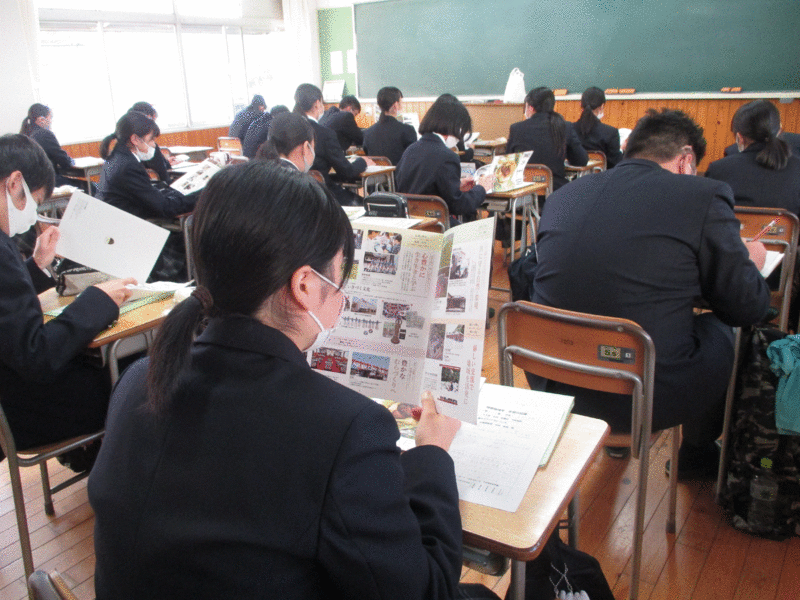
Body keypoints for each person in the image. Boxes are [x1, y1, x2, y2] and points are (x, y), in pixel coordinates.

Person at [88, 161, 500, 600]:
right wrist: (432, 452)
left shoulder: (137, 380)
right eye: (340, 276)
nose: (343, 294)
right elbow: (425, 592)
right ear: (304, 285)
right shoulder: (345, 429)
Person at [527, 109, 770, 478]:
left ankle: (617, 439)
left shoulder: (565, 195)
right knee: (724, 326)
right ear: (687, 159)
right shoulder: (703, 195)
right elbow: (747, 306)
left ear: (630, 148)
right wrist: (750, 260)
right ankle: (697, 451)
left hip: (551, 379)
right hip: (641, 395)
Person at [0, 133, 135, 462]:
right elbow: (37, 355)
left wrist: (36, 266)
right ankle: (113, 468)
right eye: (34, 201)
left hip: (11, 396)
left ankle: (91, 458)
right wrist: (97, 299)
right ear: (14, 183)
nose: (32, 215)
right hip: (22, 408)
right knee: (133, 374)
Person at [97, 111, 197, 281]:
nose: (153, 145)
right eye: (151, 140)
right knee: (193, 233)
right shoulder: (127, 165)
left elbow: (148, 194)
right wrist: (201, 195)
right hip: (130, 236)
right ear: (135, 139)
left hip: (119, 229)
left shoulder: (117, 158)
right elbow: (165, 208)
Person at [396, 94, 493, 224]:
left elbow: (423, 188)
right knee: (480, 230)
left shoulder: (410, 150)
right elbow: (458, 206)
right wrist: (481, 188)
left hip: (409, 223)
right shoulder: (447, 156)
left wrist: (457, 185)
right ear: (454, 126)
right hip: (436, 225)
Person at [706, 100, 800, 218]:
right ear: (780, 130)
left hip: (733, 230)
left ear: (739, 137)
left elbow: (707, 215)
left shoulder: (717, 169)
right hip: (783, 230)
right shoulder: (797, 169)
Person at [295, 83, 373, 206]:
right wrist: (363, 162)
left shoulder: (287, 129)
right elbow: (347, 172)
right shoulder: (324, 133)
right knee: (365, 204)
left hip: (295, 195)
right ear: (317, 104)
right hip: (321, 194)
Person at [506, 87, 588, 190]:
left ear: (530, 108)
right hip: (555, 189)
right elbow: (581, 160)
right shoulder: (565, 126)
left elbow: (508, 162)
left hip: (524, 189)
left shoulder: (516, 128)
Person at [20, 103, 76, 187]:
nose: (51, 122)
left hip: (34, 184)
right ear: (42, 119)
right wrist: (71, 160)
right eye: (50, 118)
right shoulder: (44, 134)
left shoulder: (25, 134)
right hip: (50, 182)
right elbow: (65, 162)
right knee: (92, 187)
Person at [363, 86, 417, 165]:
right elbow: (413, 158)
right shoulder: (407, 130)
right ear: (395, 105)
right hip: (399, 172)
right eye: (401, 103)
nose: (401, 106)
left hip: (376, 173)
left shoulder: (368, 132)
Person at [573, 87, 623, 168]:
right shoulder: (611, 133)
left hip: (574, 175)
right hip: (602, 175)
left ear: (580, 105)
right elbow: (615, 164)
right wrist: (623, 150)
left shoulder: (569, 129)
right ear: (602, 106)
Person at [129, 101, 176, 183]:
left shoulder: (122, 151)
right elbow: (163, 176)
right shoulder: (146, 146)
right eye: (151, 139)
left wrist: (166, 162)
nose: (153, 144)